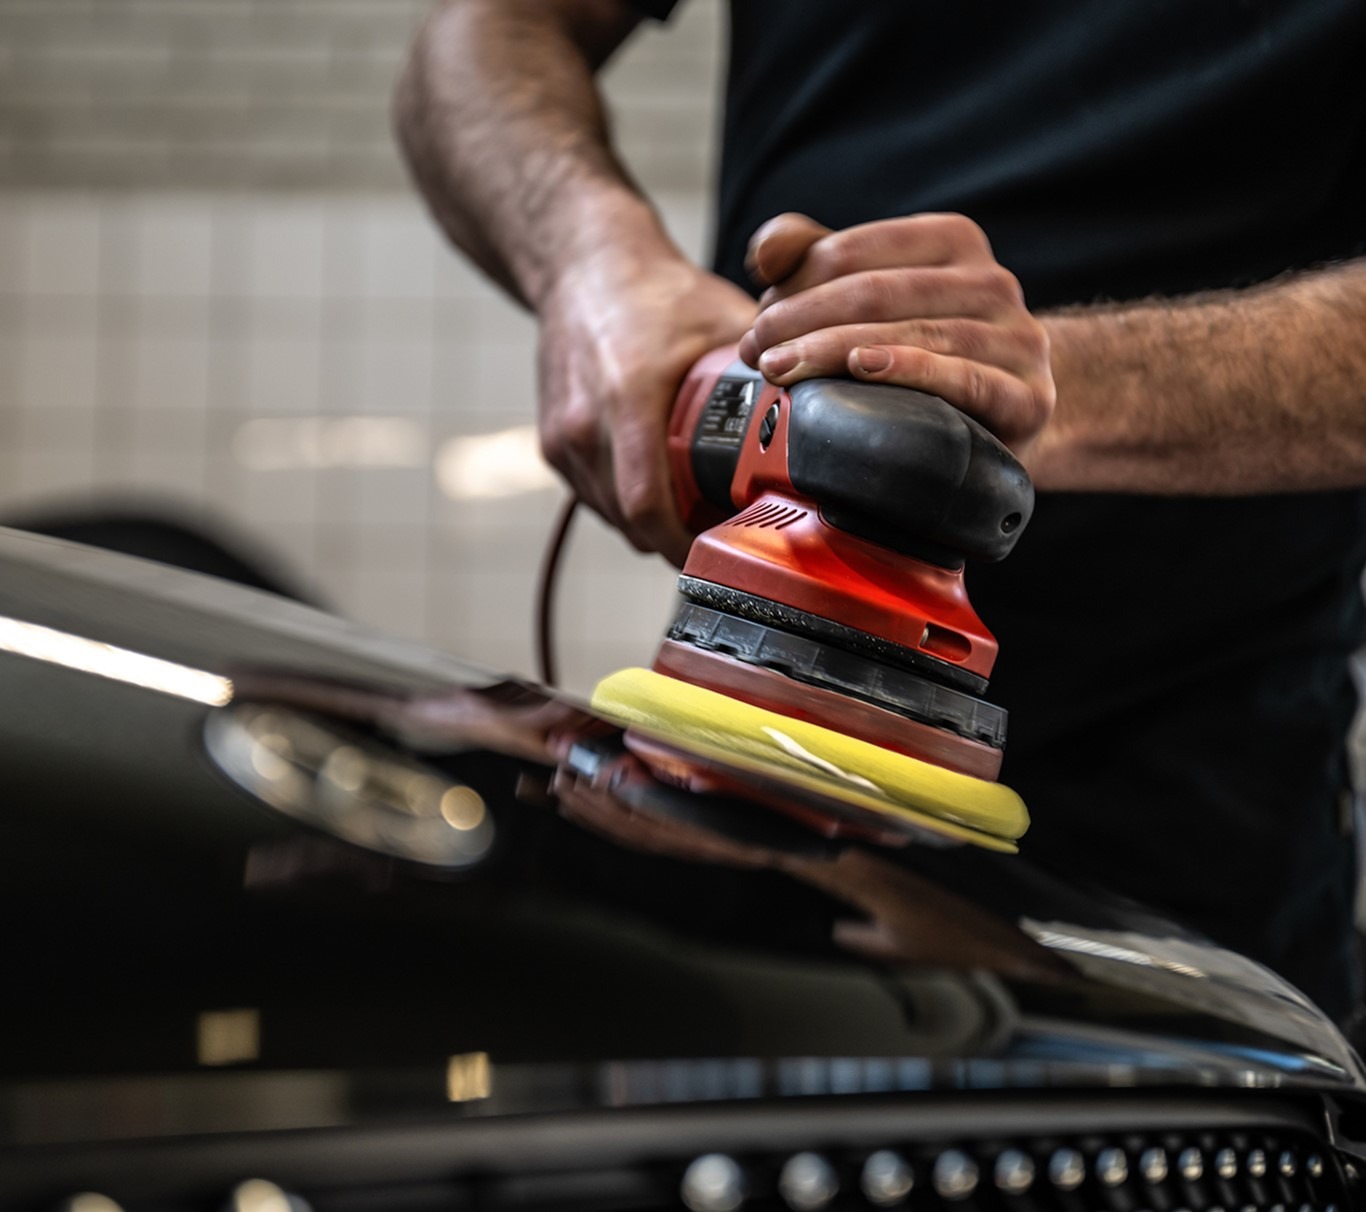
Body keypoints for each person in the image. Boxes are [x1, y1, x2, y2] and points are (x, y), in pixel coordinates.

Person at [394, 0, 1366, 1020]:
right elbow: (479, 36)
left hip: (1185, 837)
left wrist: (1027, 387)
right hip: (728, 775)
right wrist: (595, 264)